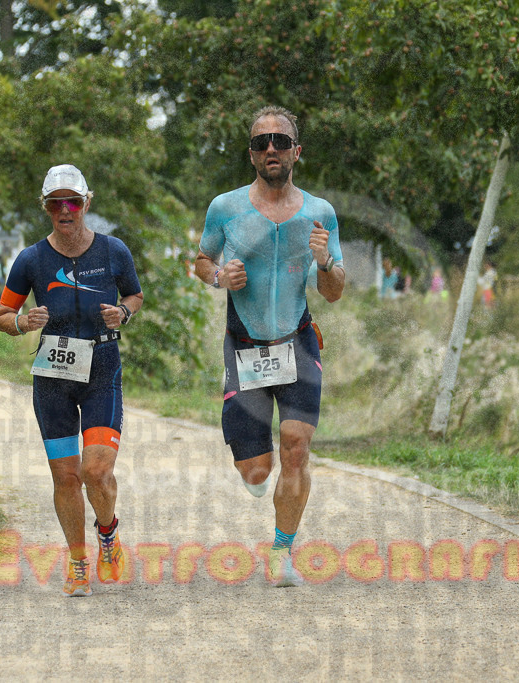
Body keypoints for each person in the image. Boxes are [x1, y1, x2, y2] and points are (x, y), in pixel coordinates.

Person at [194, 105, 345, 587]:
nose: (272, 149)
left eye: (281, 141)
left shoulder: (320, 213)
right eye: (262, 143)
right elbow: (201, 260)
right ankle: (254, 469)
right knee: (258, 472)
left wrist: (325, 263)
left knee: (296, 448)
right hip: (245, 348)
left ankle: (282, 552)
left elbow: (335, 289)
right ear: (252, 155)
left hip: (297, 342)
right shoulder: (225, 207)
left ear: (296, 151)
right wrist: (219, 275)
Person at [0, 164, 144, 597]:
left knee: (95, 471)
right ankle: (79, 563)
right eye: (56, 202)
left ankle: (108, 533)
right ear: (46, 208)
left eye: (72, 201)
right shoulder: (31, 260)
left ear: (86, 204)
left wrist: (125, 313)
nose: (65, 210)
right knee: (65, 478)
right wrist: (22, 323)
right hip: (54, 378)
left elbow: (133, 294)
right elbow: (2, 315)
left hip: (101, 368)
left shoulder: (114, 251)